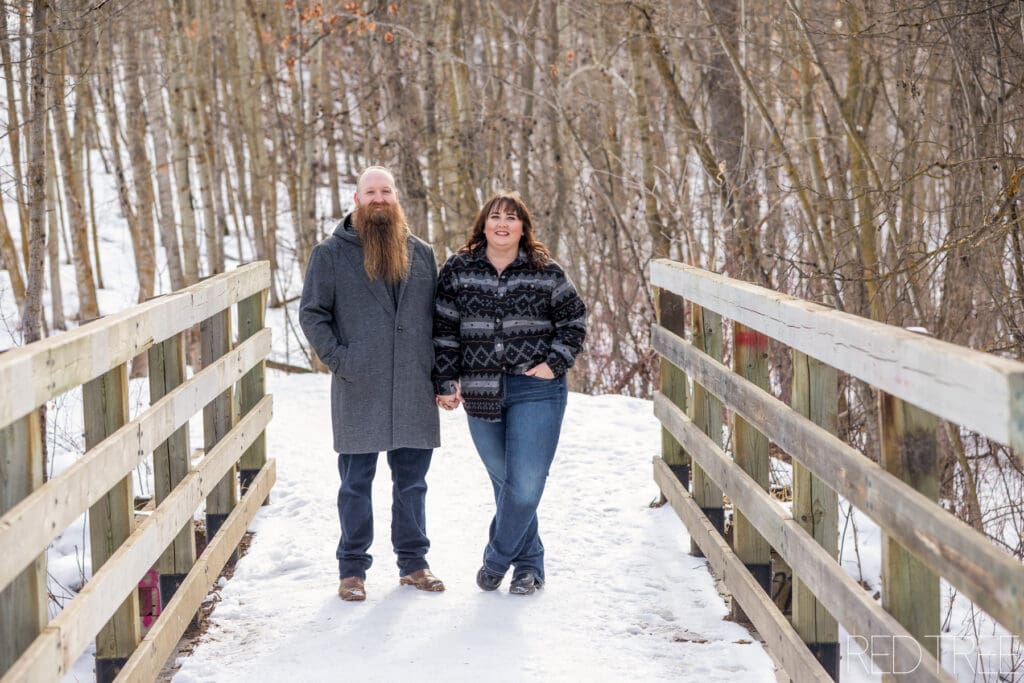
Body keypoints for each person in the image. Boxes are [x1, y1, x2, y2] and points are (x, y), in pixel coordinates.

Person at [300, 166, 445, 602]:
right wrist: (340, 359)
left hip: (413, 385)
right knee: (355, 483)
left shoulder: (422, 253)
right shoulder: (330, 254)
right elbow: (313, 313)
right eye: (371, 192)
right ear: (357, 199)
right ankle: (352, 570)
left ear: (396, 197)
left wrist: (441, 373)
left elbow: (438, 320)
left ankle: (414, 564)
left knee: (413, 483)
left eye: (386, 191)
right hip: (359, 384)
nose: (379, 199)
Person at [432, 191, 587, 596]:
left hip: (537, 389)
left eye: (511, 218)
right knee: (507, 485)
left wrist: (554, 362)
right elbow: (444, 330)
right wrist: (446, 379)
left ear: (523, 227)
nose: (503, 224)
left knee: (526, 485)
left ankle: (497, 560)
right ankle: (529, 565)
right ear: (483, 225)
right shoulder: (458, 269)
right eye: (495, 216)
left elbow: (574, 319)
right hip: (480, 389)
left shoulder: (544, 270)